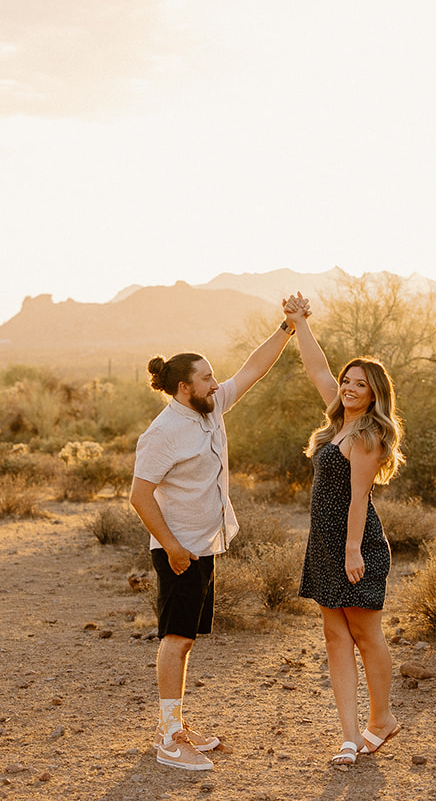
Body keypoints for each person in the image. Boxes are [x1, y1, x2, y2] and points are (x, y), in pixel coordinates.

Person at [129, 308, 299, 772]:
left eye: (212, 377)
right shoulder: (162, 433)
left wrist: (288, 328)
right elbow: (139, 496)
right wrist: (175, 547)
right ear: (184, 387)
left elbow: (253, 368)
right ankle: (169, 738)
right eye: (206, 378)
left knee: (186, 641)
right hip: (178, 550)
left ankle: (178, 726)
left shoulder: (211, 407)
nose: (215, 382)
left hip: (204, 545)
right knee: (175, 639)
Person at [284, 294, 404, 766]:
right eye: (346, 382)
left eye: (360, 384)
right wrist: (298, 324)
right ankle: (350, 737)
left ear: (375, 393)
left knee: (366, 635)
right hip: (324, 546)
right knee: (335, 638)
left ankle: (383, 720)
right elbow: (317, 368)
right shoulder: (338, 422)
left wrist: (353, 550)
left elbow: (359, 498)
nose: (349, 388)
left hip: (356, 546)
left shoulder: (367, 435)